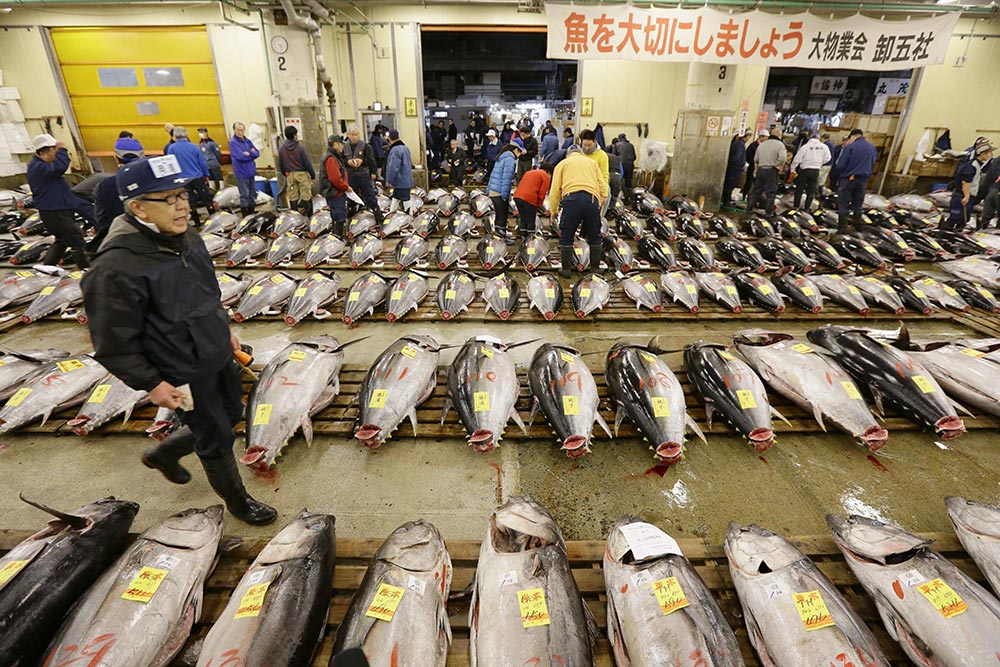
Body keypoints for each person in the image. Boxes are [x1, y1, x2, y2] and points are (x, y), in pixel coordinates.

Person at [81, 154, 277, 525]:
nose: (183, 205)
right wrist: (152, 383)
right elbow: (112, 343)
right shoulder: (115, 267)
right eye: (168, 199)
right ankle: (238, 502)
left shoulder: (187, 239)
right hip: (179, 369)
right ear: (137, 207)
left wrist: (222, 328)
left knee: (233, 413)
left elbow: (206, 294)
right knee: (216, 434)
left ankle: (165, 452)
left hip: (215, 351)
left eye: (182, 194)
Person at [26, 134, 90, 268]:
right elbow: (60, 166)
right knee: (76, 241)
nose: (56, 155)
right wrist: (62, 150)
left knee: (62, 241)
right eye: (54, 151)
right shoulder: (38, 167)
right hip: (56, 212)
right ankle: (86, 270)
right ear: (43, 153)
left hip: (55, 211)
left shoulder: (41, 165)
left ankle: (47, 268)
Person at [550, 145, 607, 279]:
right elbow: (602, 184)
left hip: (571, 200)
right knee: (595, 235)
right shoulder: (592, 163)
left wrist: (554, 211)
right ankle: (595, 268)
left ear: (568, 155)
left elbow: (554, 191)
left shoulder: (562, 164)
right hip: (591, 199)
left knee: (567, 236)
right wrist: (602, 199)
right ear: (581, 153)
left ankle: (566, 270)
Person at [93, 139, 144, 247]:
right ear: (142, 156)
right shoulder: (152, 181)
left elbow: (101, 218)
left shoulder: (104, 186)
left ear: (116, 158)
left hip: (120, 243)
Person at [166, 126, 211, 227]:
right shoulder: (194, 147)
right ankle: (213, 219)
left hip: (183, 180)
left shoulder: (172, 148)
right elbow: (202, 163)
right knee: (206, 198)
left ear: (174, 136)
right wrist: (206, 175)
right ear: (186, 135)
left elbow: (170, 164)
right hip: (197, 177)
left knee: (190, 201)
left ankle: (197, 223)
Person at [834, 129, 878, 231]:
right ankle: (857, 228)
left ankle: (842, 229)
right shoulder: (872, 148)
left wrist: (840, 174)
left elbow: (841, 165)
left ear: (852, 137)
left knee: (843, 204)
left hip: (849, 178)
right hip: (863, 179)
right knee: (858, 204)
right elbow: (873, 163)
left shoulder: (850, 147)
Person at [945, 143, 993, 231]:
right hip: (961, 196)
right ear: (982, 154)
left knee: (963, 220)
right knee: (955, 218)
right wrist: (966, 196)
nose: (991, 155)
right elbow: (965, 182)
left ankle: (956, 237)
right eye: (989, 153)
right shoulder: (972, 166)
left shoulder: (978, 165)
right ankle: (944, 235)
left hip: (968, 196)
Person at [343, 125, 382, 223]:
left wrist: (371, 170)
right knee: (351, 199)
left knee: (370, 197)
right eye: (352, 135)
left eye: (356, 135)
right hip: (350, 176)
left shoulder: (365, 146)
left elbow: (371, 160)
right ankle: (352, 221)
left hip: (363, 175)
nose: (354, 137)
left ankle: (379, 219)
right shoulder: (343, 146)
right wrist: (347, 162)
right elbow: (339, 161)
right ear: (348, 135)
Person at [276, 125, 316, 216]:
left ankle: (294, 217)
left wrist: (286, 174)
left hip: (290, 175)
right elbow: (307, 163)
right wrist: (312, 174)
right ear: (295, 135)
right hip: (302, 174)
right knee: (306, 196)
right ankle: (309, 217)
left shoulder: (282, 149)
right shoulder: (300, 148)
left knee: (293, 197)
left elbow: (280, 164)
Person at [318, 134, 352, 237]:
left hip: (335, 192)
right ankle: (338, 239)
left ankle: (338, 237)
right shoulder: (331, 158)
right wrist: (346, 187)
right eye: (340, 144)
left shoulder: (333, 156)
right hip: (335, 193)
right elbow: (335, 178)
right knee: (339, 217)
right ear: (335, 144)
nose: (342, 146)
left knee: (337, 216)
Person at [748, 129, 787, 217]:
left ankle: (749, 209)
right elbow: (783, 158)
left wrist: (756, 170)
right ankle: (768, 213)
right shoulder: (780, 145)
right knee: (770, 193)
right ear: (779, 135)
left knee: (756, 191)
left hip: (761, 170)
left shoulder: (762, 144)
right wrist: (778, 165)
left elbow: (756, 159)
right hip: (771, 171)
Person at [487, 142, 521, 240]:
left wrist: (488, 190)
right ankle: (502, 239)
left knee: (498, 215)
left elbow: (493, 174)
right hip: (500, 191)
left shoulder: (501, 157)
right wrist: (505, 195)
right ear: (515, 150)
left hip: (493, 190)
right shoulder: (509, 159)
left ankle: (499, 238)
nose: (519, 155)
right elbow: (507, 178)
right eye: (519, 151)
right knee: (502, 216)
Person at [789, 133, 831, 212]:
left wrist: (792, 169)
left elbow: (797, 159)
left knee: (799, 189)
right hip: (815, 170)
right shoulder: (824, 147)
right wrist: (820, 163)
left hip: (805, 170)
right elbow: (828, 158)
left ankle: (796, 207)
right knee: (811, 190)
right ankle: (807, 208)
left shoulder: (805, 147)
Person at [513, 162, 552, 236]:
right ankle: (530, 240)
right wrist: (539, 206)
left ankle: (523, 238)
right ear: (549, 171)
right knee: (531, 221)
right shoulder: (545, 176)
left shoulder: (529, 172)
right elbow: (542, 193)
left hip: (517, 196)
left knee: (523, 219)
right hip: (529, 199)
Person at [229, 122, 259, 218]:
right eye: (238, 130)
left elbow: (257, 153)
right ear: (234, 130)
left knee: (252, 194)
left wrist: (249, 153)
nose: (240, 132)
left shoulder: (248, 141)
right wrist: (251, 154)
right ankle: (246, 215)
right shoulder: (233, 142)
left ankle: (252, 212)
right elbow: (240, 156)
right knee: (245, 195)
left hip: (251, 171)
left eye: (242, 130)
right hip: (241, 173)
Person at [579, 129, 609, 214]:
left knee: (608, 193)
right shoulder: (579, 153)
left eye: (589, 145)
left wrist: (604, 194)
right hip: (580, 184)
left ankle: (600, 218)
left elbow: (604, 175)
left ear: (595, 142)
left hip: (595, 185)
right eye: (584, 145)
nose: (587, 148)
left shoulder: (602, 155)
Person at [384, 129, 414, 214]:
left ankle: (409, 217)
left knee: (405, 198)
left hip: (400, 180)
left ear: (389, 138)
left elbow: (393, 167)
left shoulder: (395, 150)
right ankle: (391, 213)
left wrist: (389, 180)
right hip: (406, 179)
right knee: (396, 196)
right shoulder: (405, 148)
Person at [722, 133, 747, 207]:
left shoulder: (736, 143)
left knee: (730, 183)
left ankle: (727, 199)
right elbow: (737, 157)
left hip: (734, 166)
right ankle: (726, 201)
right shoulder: (740, 144)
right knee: (731, 183)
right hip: (735, 167)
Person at [742, 130, 767, 200]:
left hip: (761, 168)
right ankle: (744, 196)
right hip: (752, 167)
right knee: (749, 182)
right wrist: (754, 163)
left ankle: (753, 198)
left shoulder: (765, 146)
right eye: (766, 137)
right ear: (761, 137)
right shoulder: (753, 146)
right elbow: (748, 157)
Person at [978, 157, 1000, 229]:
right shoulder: (998, 161)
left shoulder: (997, 160)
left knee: (987, 211)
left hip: (994, 188)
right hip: (995, 190)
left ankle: (982, 227)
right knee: (988, 211)